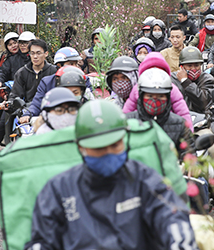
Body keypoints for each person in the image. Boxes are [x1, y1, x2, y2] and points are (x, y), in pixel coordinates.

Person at [25, 100, 198, 250]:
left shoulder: (142, 178)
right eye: (99, 148)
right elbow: (41, 241)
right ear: (81, 147)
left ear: (124, 140)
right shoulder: (59, 189)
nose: (108, 153)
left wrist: (181, 242)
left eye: (115, 145)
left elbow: (171, 216)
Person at [0, 38, 56, 169]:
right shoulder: (22, 72)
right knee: (4, 123)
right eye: (32, 53)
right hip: (25, 109)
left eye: (38, 53)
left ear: (46, 54)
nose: (35, 56)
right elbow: (15, 95)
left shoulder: (53, 72)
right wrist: (11, 104)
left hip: (48, 110)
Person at [125, 68, 194, 155]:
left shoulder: (179, 125)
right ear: (141, 97)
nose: (154, 101)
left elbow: (189, 156)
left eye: (161, 96)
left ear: (168, 98)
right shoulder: (128, 123)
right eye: (149, 96)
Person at [122, 52, 192, 128]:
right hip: (141, 127)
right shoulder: (137, 89)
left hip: (168, 127)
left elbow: (183, 113)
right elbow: (128, 111)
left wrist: (187, 132)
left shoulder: (171, 89)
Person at [23, 47, 84, 121]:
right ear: (59, 65)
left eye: (76, 64)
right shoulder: (47, 82)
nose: (75, 67)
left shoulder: (83, 80)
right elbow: (37, 103)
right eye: (71, 64)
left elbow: (89, 102)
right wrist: (28, 115)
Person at [171, 47, 214, 114]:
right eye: (189, 65)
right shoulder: (172, 79)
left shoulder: (207, 79)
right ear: (182, 67)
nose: (193, 69)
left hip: (200, 118)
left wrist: (185, 82)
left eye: (196, 65)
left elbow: (203, 102)